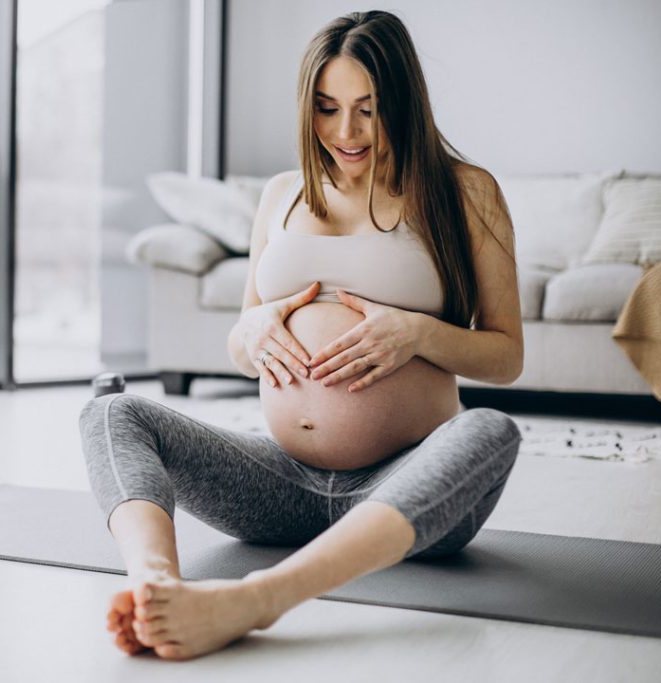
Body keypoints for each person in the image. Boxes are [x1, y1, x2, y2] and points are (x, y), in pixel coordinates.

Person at [78, 10, 523, 661]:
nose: (346, 131)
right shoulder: (282, 195)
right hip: (282, 484)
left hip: (409, 488)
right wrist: (252, 326)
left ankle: (255, 599)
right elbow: (240, 345)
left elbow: (507, 354)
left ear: (403, 100)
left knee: (491, 431)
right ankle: (154, 585)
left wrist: (419, 333)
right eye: (327, 107)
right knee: (111, 412)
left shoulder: (465, 193)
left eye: (369, 109)